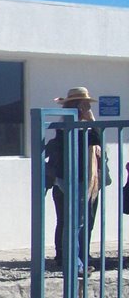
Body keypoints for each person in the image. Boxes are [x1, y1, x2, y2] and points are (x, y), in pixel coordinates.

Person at [45, 86, 104, 274]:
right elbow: (96, 139)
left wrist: (90, 120)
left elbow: (97, 141)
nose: (87, 108)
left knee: (79, 222)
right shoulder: (69, 129)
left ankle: (77, 259)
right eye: (85, 105)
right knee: (71, 222)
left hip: (85, 181)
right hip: (71, 180)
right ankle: (70, 261)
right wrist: (90, 121)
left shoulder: (79, 128)